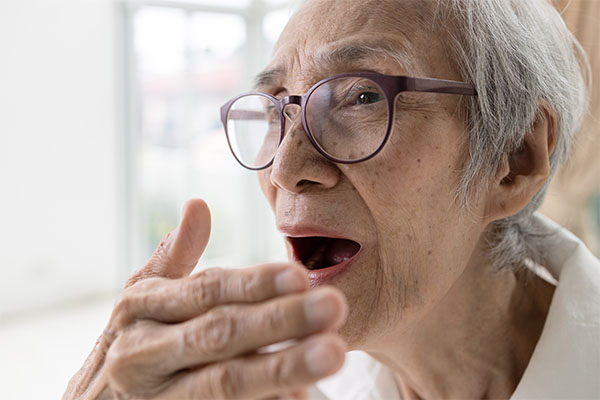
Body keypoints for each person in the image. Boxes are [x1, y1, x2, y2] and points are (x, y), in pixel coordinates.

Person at [65, 0, 600, 398]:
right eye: (277, 106)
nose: (285, 168)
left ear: (516, 156)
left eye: (362, 97)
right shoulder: (260, 377)